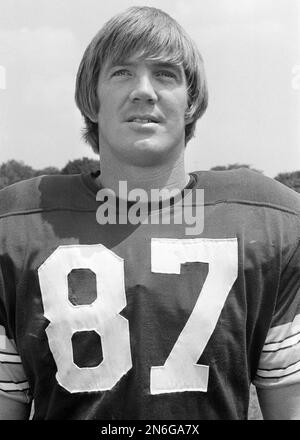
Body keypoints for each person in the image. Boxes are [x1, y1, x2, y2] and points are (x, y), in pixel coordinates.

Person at [0, 6, 300, 420]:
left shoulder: (269, 222)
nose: (144, 90)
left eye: (165, 73)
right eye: (122, 72)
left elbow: (290, 399)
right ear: (92, 97)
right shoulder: (15, 226)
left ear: (191, 101)